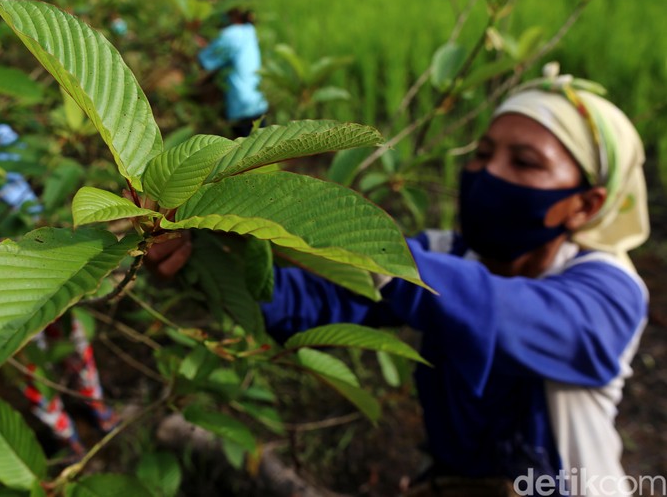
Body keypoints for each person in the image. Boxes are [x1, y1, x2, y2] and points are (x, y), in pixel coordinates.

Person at [148, 66, 650, 497]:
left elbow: (503, 311)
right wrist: (210, 258)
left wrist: (311, 223)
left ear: (586, 204)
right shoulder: (444, 252)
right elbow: (317, 302)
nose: (487, 173)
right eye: (482, 152)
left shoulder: (610, 290)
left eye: (524, 162)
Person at [196, 6, 269, 137]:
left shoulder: (231, 34)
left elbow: (205, 61)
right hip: (257, 103)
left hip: (241, 107)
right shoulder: (250, 31)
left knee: (244, 153)